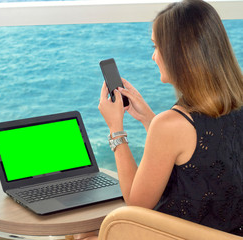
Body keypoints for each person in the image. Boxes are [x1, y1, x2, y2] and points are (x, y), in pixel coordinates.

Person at [84, 0, 243, 238]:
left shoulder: (171, 125)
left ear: (180, 54)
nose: (153, 56)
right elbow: (202, 159)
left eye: (156, 47)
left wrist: (116, 130)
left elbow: (136, 206)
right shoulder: (237, 101)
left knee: (85, 234)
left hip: (177, 235)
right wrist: (150, 119)